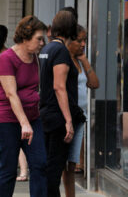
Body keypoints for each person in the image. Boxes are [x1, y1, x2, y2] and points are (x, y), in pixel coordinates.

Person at [0, 15, 47, 197]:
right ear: (25, 37)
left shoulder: (36, 58)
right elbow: (11, 94)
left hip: (32, 117)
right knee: (8, 169)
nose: (42, 43)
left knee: (39, 164)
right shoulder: (7, 58)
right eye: (39, 38)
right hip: (7, 120)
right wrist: (24, 123)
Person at [39, 10, 79, 197]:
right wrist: (68, 120)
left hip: (46, 113)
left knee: (48, 166)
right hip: (57, 117)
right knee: (54, 170)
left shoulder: (45, 49)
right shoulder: (61, 51)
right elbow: (59, 87)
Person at [62, 25, 99, 197]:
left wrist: (84, 60)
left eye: (85, 40)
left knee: (71, 165)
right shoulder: (63, 60)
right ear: (69, 40)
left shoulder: (79, 60)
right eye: (80, 40)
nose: (83, 44)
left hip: (79, 118)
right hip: (65, 118)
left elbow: (94, 84)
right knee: (60, 164)